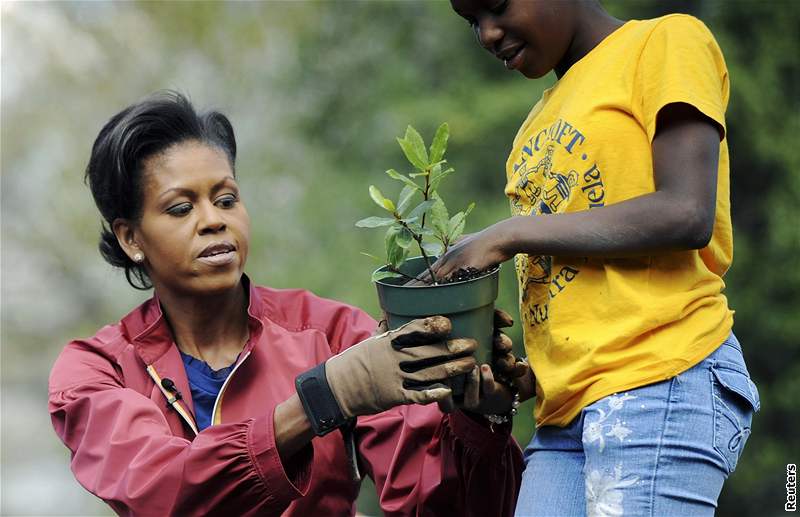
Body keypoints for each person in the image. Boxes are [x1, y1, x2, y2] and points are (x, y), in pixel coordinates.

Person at [48, 91, 524, 516]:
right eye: (181, 207)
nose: (213, 220)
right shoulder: (96, 371)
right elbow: (160, 491)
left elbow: (435, 504)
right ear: (131, 238)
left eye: (227, 198)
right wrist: (323, 398)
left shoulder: (333, 332)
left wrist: (481, 421)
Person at [435, 1, 761, 515]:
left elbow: (686, 212)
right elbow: (577, 288)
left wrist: (508, 234)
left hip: (659, 376)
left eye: (496, 6)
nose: (488, 33)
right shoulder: (531, 129)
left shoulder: (664, 43)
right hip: (561, 417)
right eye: (472, 20)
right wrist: (527, 375)